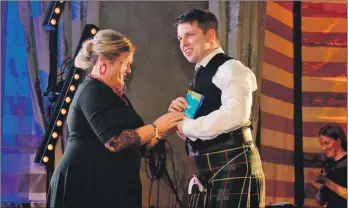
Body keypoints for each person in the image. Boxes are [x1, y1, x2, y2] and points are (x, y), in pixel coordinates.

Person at [46, 29, 184, 208]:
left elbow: (136, 143)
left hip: (107, 185)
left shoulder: (115, 96)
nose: (127, 70)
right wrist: (156, 127)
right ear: (104, 62)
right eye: (124, 63)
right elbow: (116, 142)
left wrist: (164, 129)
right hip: (83, 184)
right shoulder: (91, 91)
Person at [168, 9, 265, 208]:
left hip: (233, 164)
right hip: (208, 168)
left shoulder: (232, 69)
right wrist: (180, 117)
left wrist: (186, 127)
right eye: (179, 38)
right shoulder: (201, 73)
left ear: (210, 35)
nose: (183, 43)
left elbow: (234, 116)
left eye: (189, 35)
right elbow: (194, 131)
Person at [309, 123, 347, 208]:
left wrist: (326, 181)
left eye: (327, 143)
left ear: (339, 140)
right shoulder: (327, 164)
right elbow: (321, 202)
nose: (323, 148)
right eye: (321, 144)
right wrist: (319, 187)